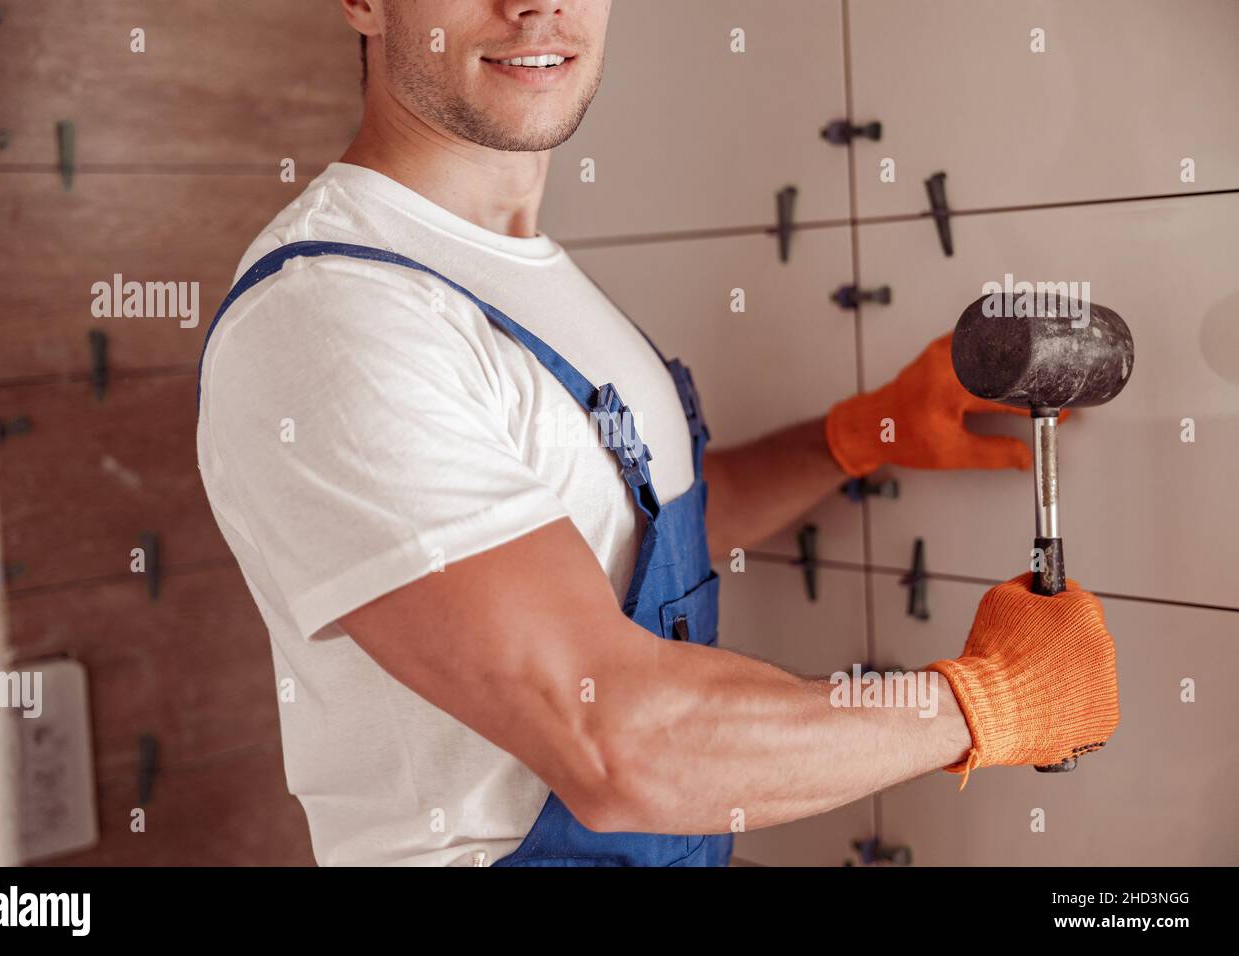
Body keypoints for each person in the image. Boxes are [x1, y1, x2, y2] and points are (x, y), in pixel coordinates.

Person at [195, 0, 1119, 867]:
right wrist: (984, 704)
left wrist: (858, 436)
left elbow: (614, 553)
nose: (535, 6)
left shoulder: (521, 270)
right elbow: (617, 743)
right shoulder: (336, 317)